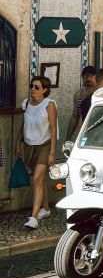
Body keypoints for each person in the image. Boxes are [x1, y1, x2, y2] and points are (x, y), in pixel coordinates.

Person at [18, 76, 57, 230]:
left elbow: (53, 129)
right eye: (32, 86)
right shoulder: (26, 103)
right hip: (29, 146)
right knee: (40, 180)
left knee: (36, 180)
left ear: (45, 90)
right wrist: (18, 142)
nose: (33, 89)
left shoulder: (49, 105)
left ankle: (33, 218)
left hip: (44, 146)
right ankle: (45, 209)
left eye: (37, 87)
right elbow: (24, 124)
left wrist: (52, 152)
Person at [66, 65, 96, 142]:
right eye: (85, 76)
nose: (88, 79)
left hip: (100, 133)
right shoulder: (79, 94)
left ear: (96, 77)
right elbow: (75, 117)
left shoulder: (100, 92)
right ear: (82, 78)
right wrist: (68, 139)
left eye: (91, 76)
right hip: (84, 133)